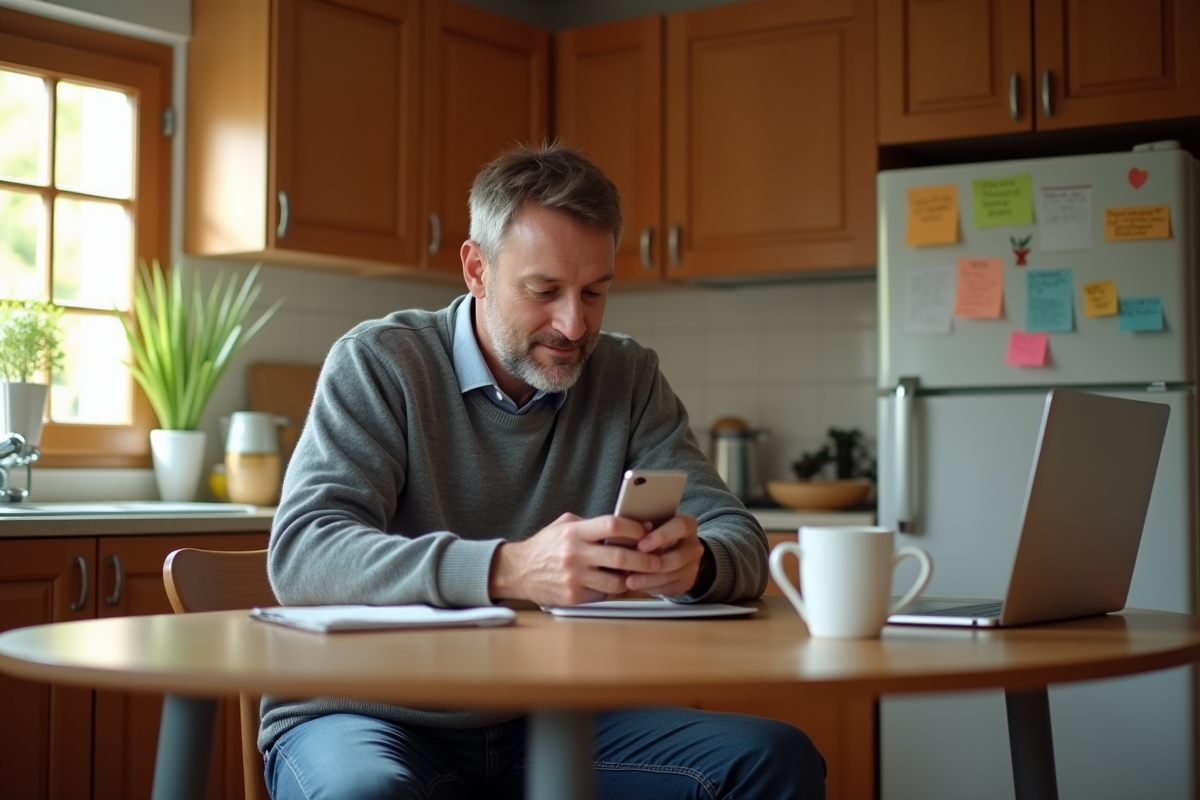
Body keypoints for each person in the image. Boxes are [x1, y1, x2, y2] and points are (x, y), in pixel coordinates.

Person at [262, 142, 826, 799]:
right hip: (368, 711)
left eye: (595, 292)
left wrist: (695, 565)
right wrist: (510, 568)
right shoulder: (381, 362)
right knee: (367, 794)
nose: (574, 324)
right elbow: (304, 554)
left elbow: (741, 540)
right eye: (545, 291)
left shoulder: (627, 377)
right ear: (476, 269)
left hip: (555, 714)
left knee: (773, 760)